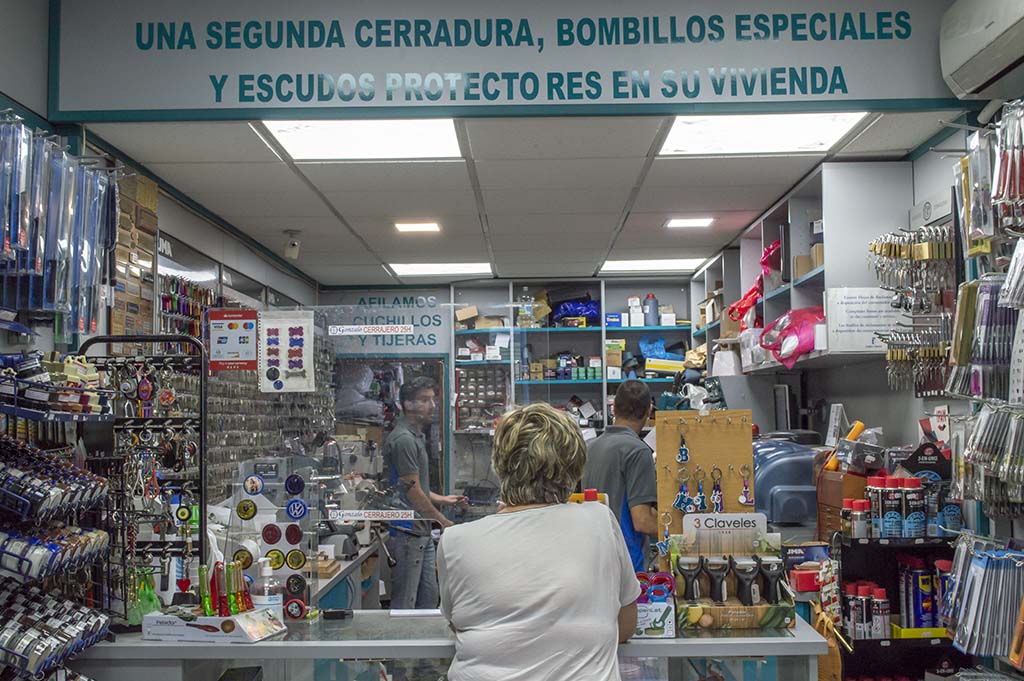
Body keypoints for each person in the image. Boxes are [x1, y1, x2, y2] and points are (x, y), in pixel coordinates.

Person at [438, 403, 640, 681]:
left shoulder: (455, 542)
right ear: (575, 469)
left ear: (499, 466)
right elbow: (626, 625)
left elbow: (456, 623)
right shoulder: (599, 521)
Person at [383, 376, 466, 609]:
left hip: (421, 530)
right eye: (425, 400)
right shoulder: (404, 440)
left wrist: (443, 499)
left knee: (428, 600)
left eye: (433, 400)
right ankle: (402, 645)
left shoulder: (416, 437)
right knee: (405, 604)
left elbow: (415, 487)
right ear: (408, 405)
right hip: (407, 532)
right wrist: (442, 521)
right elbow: (412, 493)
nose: (432, 406)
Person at [583, 380, 658, 572]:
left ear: (613, 408)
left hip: (593, 559)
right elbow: (642, 521)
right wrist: (683, 531)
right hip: (626, 564)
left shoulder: (591, 448)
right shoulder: (638, 451)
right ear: (648, 411)